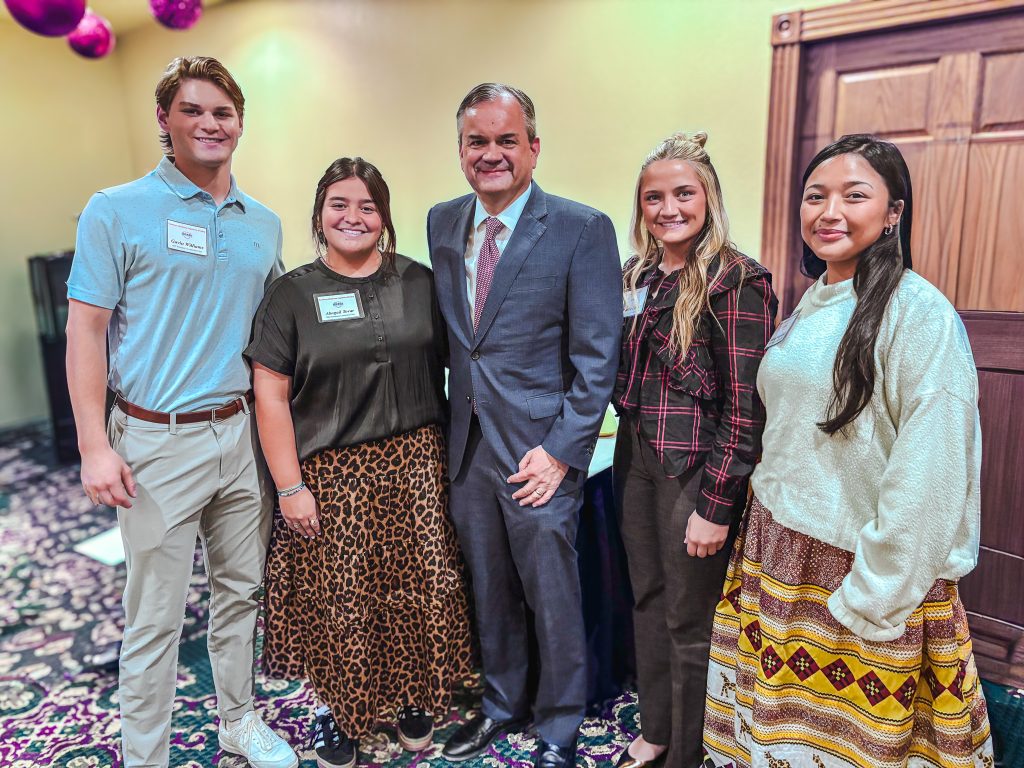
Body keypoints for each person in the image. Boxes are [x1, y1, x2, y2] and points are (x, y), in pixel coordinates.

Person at [703, 134, 994, 768]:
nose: (828, 212)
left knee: (847, 746)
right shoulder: (813, 302)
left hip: (858, 572)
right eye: (815, 196)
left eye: (854, 196)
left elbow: (932, 470)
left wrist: (874, 593)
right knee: (770, 734)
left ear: (893, 212)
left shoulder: (919, 314)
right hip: (778, 552)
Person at [65, 56, 296, 768]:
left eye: (223, 112)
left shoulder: (264, 223)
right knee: (155, 619)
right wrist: (94, 445)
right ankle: (146, 756)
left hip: (240, 436)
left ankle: (238, 722)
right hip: (155, 443)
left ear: (240, 124)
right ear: (164, 120)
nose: (209, 123)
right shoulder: (116, 209)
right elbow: (86, 330)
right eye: (192, 110)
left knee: (240, 595)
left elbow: (276, 338)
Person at [246, 157, 473, 768]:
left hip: (418, 466)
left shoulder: (419, 281)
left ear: (384, 216)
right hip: (333, 477)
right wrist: (289, 486)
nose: (354, 217)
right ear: (319, 214)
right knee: (344, 602)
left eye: (367, 206)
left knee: (420, 589)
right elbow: (270, 396)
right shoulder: (291, 294)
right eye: (339, 205)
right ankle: (341, 712)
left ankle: (413, 699)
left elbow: (465, 362)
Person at [427, 83, 621, 768]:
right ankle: (502, 703)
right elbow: (461, 341)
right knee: (488, 587)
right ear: (460, 150)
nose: (491, 154)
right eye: (476, 142)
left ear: (533, 147)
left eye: (506, 140)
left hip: (541, 452)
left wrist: (562, 452)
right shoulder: (442, 222)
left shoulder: (581, 228)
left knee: (552, 595)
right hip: (468, 447)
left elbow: (597, 357)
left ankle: (560, 723)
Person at [612, 132, 776, 768]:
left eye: (683, 193)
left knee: (688, 618)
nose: (668, 208)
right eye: (653, 197)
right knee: (647, 600)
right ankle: (656, 730)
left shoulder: (737, 281)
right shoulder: (637, 276)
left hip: (696, 471)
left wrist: (716, 504)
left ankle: (687, 752)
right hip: (636, 460)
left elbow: (746, 408)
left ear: (709, 197)